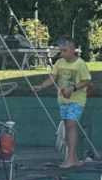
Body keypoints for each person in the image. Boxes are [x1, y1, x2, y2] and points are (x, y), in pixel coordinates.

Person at [31, 36, 92, 169]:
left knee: (70, 125)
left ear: (72, 49)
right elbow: (52, 78)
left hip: (76, 99)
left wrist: (72, 88)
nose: (62, 54)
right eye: (61, 51)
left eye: (65, 51)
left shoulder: (80, 64)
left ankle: (70, 158)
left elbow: (87, 81)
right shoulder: (59, 63)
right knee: (67, 126)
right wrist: (41, 86)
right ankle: (74, 158)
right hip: (63, 99)